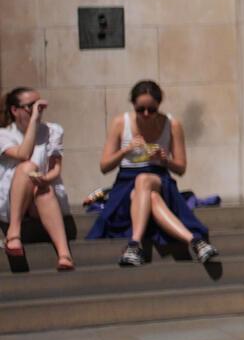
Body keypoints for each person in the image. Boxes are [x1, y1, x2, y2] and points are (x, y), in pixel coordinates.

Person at [89, 80, 220, 279]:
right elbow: (105, 166)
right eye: (140, 109)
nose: (146, 114)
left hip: (159, 177)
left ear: (159, 105)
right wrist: (126, 150)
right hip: (126, 183)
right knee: (150, 196)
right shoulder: (120, 123)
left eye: (152, 109)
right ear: (133, 105)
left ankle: (134, 245)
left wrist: (164, 159)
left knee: (145, 179)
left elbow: (181, 168)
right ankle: (195, 241)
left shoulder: (172, 124)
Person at [2, 88, 72, 272]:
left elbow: (56, 167)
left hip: (39, 199)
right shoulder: (4, 134)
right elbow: (23, 154)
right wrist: (33, 121)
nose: (37, 111)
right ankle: (14, 231)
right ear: (14, 110)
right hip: (13, 200)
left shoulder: (53, 130)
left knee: (45, 189)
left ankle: (64, 254)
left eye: (39, 106)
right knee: (28, 167)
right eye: (30, 107)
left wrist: (46, 178)